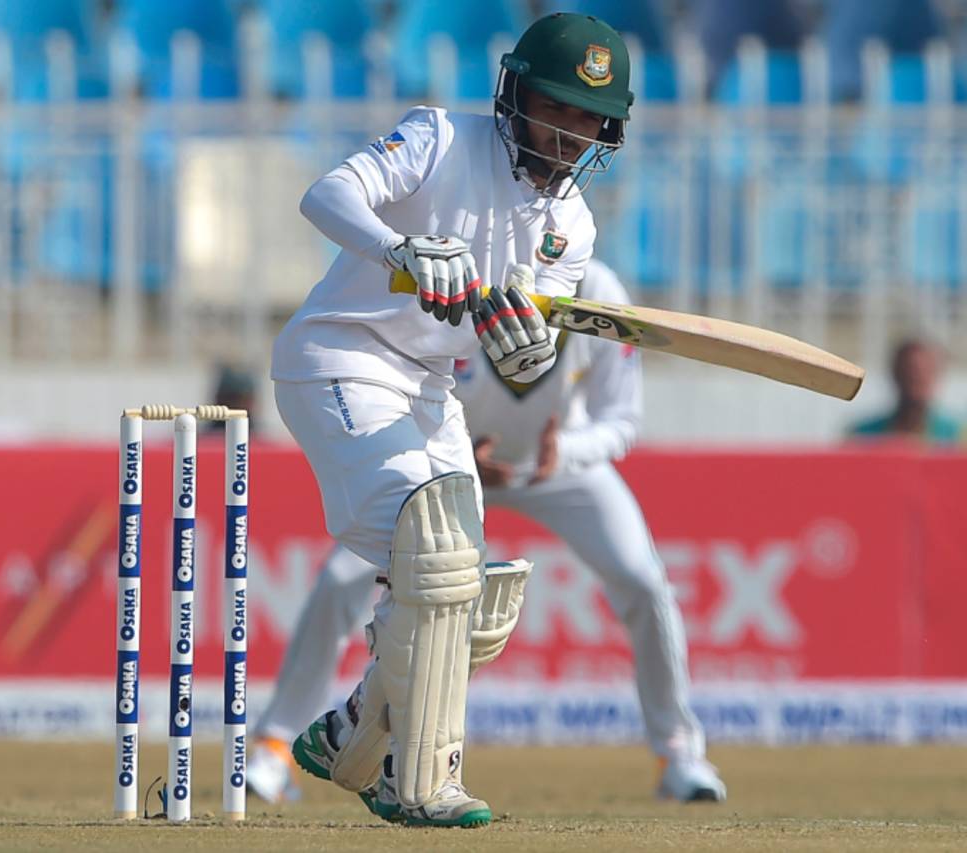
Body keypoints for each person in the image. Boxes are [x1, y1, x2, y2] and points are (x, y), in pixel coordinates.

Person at [270, 13, 633, 827]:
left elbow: (509, 353)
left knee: (472, 592)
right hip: (341, 355)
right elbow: (325, 193)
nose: (573, 133)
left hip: (430, 389)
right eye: (558, 108)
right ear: (516, 96)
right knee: (431, 542)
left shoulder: (571, 228)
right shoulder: (438, 136)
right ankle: (419, 781)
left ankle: (350, 735)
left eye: (590, 119)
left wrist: (526, 353)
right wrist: (399, 248)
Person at [250, 260, 726, 808]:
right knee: (341, 581)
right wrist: (462, 454)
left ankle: (679, 754)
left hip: (558, 469)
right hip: (449, 459)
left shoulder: (599, 292)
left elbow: (621, 420)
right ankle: (273, 747)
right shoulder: (467, 284)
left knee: (644, 583)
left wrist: (562, 454)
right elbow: (410, 380)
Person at [848, 339, 961, 445]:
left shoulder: (957, 438)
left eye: (926, 371)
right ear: (895, 373)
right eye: (909, 370)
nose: (917, 377)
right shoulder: (863, 437)